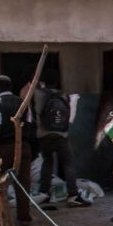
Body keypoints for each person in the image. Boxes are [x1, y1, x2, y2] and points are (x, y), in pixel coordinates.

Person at [0, 74, 35, 226]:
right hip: (23, 146)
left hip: (3, 147)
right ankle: (24, 217)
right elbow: (30, 125)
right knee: (23, 182)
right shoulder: (23, 103)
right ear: (11, 87)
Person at [33, 76, 91, 208]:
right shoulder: (64, 96)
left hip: (43, 134)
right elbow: (69, 115)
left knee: (47, 163)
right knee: (68, 163)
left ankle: (44, 193)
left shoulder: (37, 94)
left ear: (44, 82)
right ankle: (73, 195)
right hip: (61, 134)